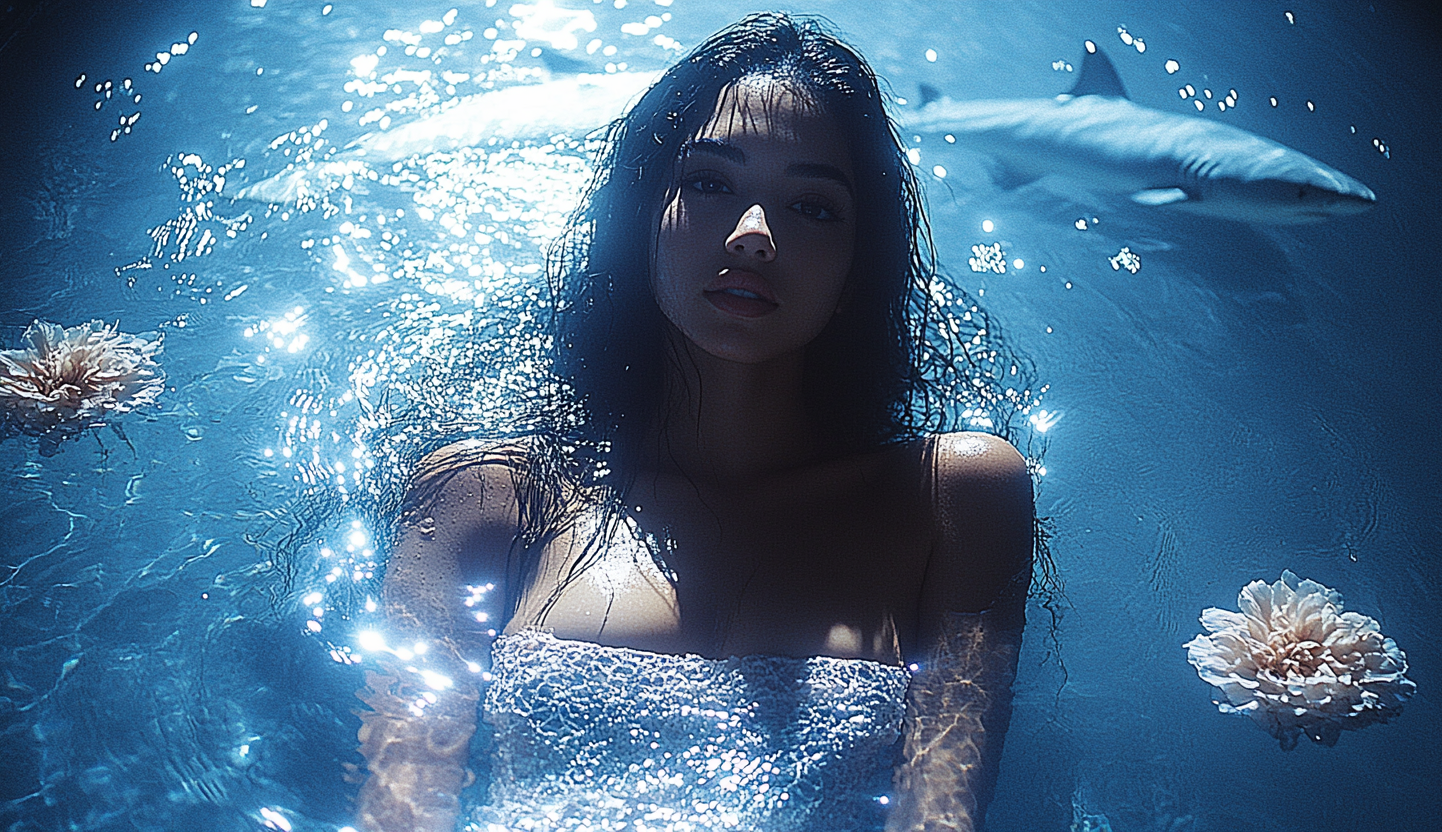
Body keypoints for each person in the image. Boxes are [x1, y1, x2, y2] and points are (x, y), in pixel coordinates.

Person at [352, 13, 1035, 832]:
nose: (753, 236)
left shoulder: (954, 499)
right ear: (644, 215)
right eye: (710, 182)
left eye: (813, 207)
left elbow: (942, 810)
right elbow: (399, 811)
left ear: (862, 261)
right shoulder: (484, 499)